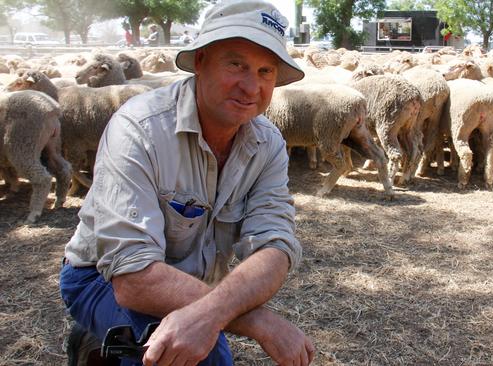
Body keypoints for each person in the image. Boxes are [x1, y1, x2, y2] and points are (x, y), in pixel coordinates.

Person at [59, 1, 314, 365]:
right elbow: (132, 276)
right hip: (100, 277)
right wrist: (257, 320)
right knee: (200, 356)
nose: (250, 86)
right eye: (236, 64)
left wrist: (211, 310)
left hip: (192, 284)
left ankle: (108, 345)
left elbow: (276, 245)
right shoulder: (139, 129)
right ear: (200, 61)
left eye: (265, 71)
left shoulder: (267, 143)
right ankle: (101, 337)